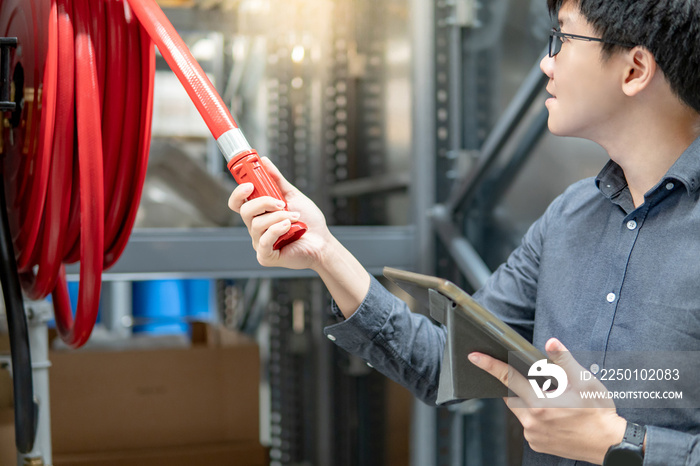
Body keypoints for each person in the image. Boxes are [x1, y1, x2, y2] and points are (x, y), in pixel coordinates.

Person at [228, 0, 700, 464]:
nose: (546, 62)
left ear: (635, 69)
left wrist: (623, 445)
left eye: (563, 38)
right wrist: (324, 251)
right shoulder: (569, 218)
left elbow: (618, 442)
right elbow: (447, 363)